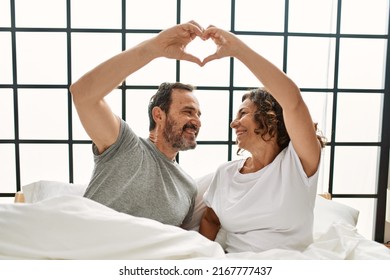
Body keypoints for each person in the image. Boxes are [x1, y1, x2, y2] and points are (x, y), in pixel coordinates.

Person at [199, 25, 326, 253]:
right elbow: (210, 220)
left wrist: (238, 50)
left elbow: (293, 101)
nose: (233, 123)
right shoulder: (225, 173)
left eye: (243, 114)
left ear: (270, 116)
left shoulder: (298, 163)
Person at [69, 21, 205, 227]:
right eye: (187, 111)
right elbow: (83, 94)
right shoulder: (124, 146)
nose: (196, 121)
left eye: (198, 115)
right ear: (159, 115)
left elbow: (179, 244)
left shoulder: (188, 187)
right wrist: (154, 48)